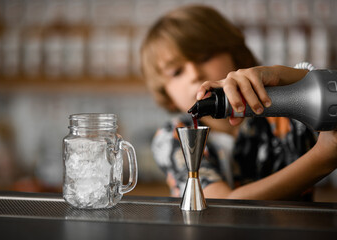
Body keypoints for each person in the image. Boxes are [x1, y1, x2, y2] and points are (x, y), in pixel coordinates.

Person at [140, 4, 337, 201]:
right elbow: (223, 207)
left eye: (205, 57)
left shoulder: (287, 109)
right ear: (165, 94)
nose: (194, 74)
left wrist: (287, 76)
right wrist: (323, 159)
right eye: (176, 72)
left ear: (234, 54)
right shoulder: (172, 138)